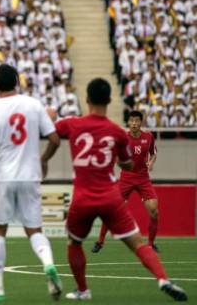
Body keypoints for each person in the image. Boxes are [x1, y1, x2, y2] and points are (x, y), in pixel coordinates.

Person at [54, 78, 187, 301]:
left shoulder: (72, 124)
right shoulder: (116, 132)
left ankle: (83, 290)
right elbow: (126, 164)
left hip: (83, 198)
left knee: (74, 242)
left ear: (86, 99)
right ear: (109, 100)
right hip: (109, 197)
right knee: (138, 244)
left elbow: (51, 132)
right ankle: (163, 279)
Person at [0, 64, 63, 302]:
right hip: (30, 176)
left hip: (3, 177)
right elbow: (55, 139)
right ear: (17, 81)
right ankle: (48, 264)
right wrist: (43, 160)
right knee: (34, 230)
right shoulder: (34, 105)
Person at [92, 110, 160, 253]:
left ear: (141, 123)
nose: (134, 123)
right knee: (111, 209)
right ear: (128, 122)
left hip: (143, 178)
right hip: (126, 178)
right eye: (131, 121)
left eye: (136, 121)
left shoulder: (148, 137)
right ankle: (100, 241)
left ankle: (151, 244)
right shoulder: (122, 138)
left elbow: (153, 153)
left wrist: (151, 162)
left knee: (154, 210)